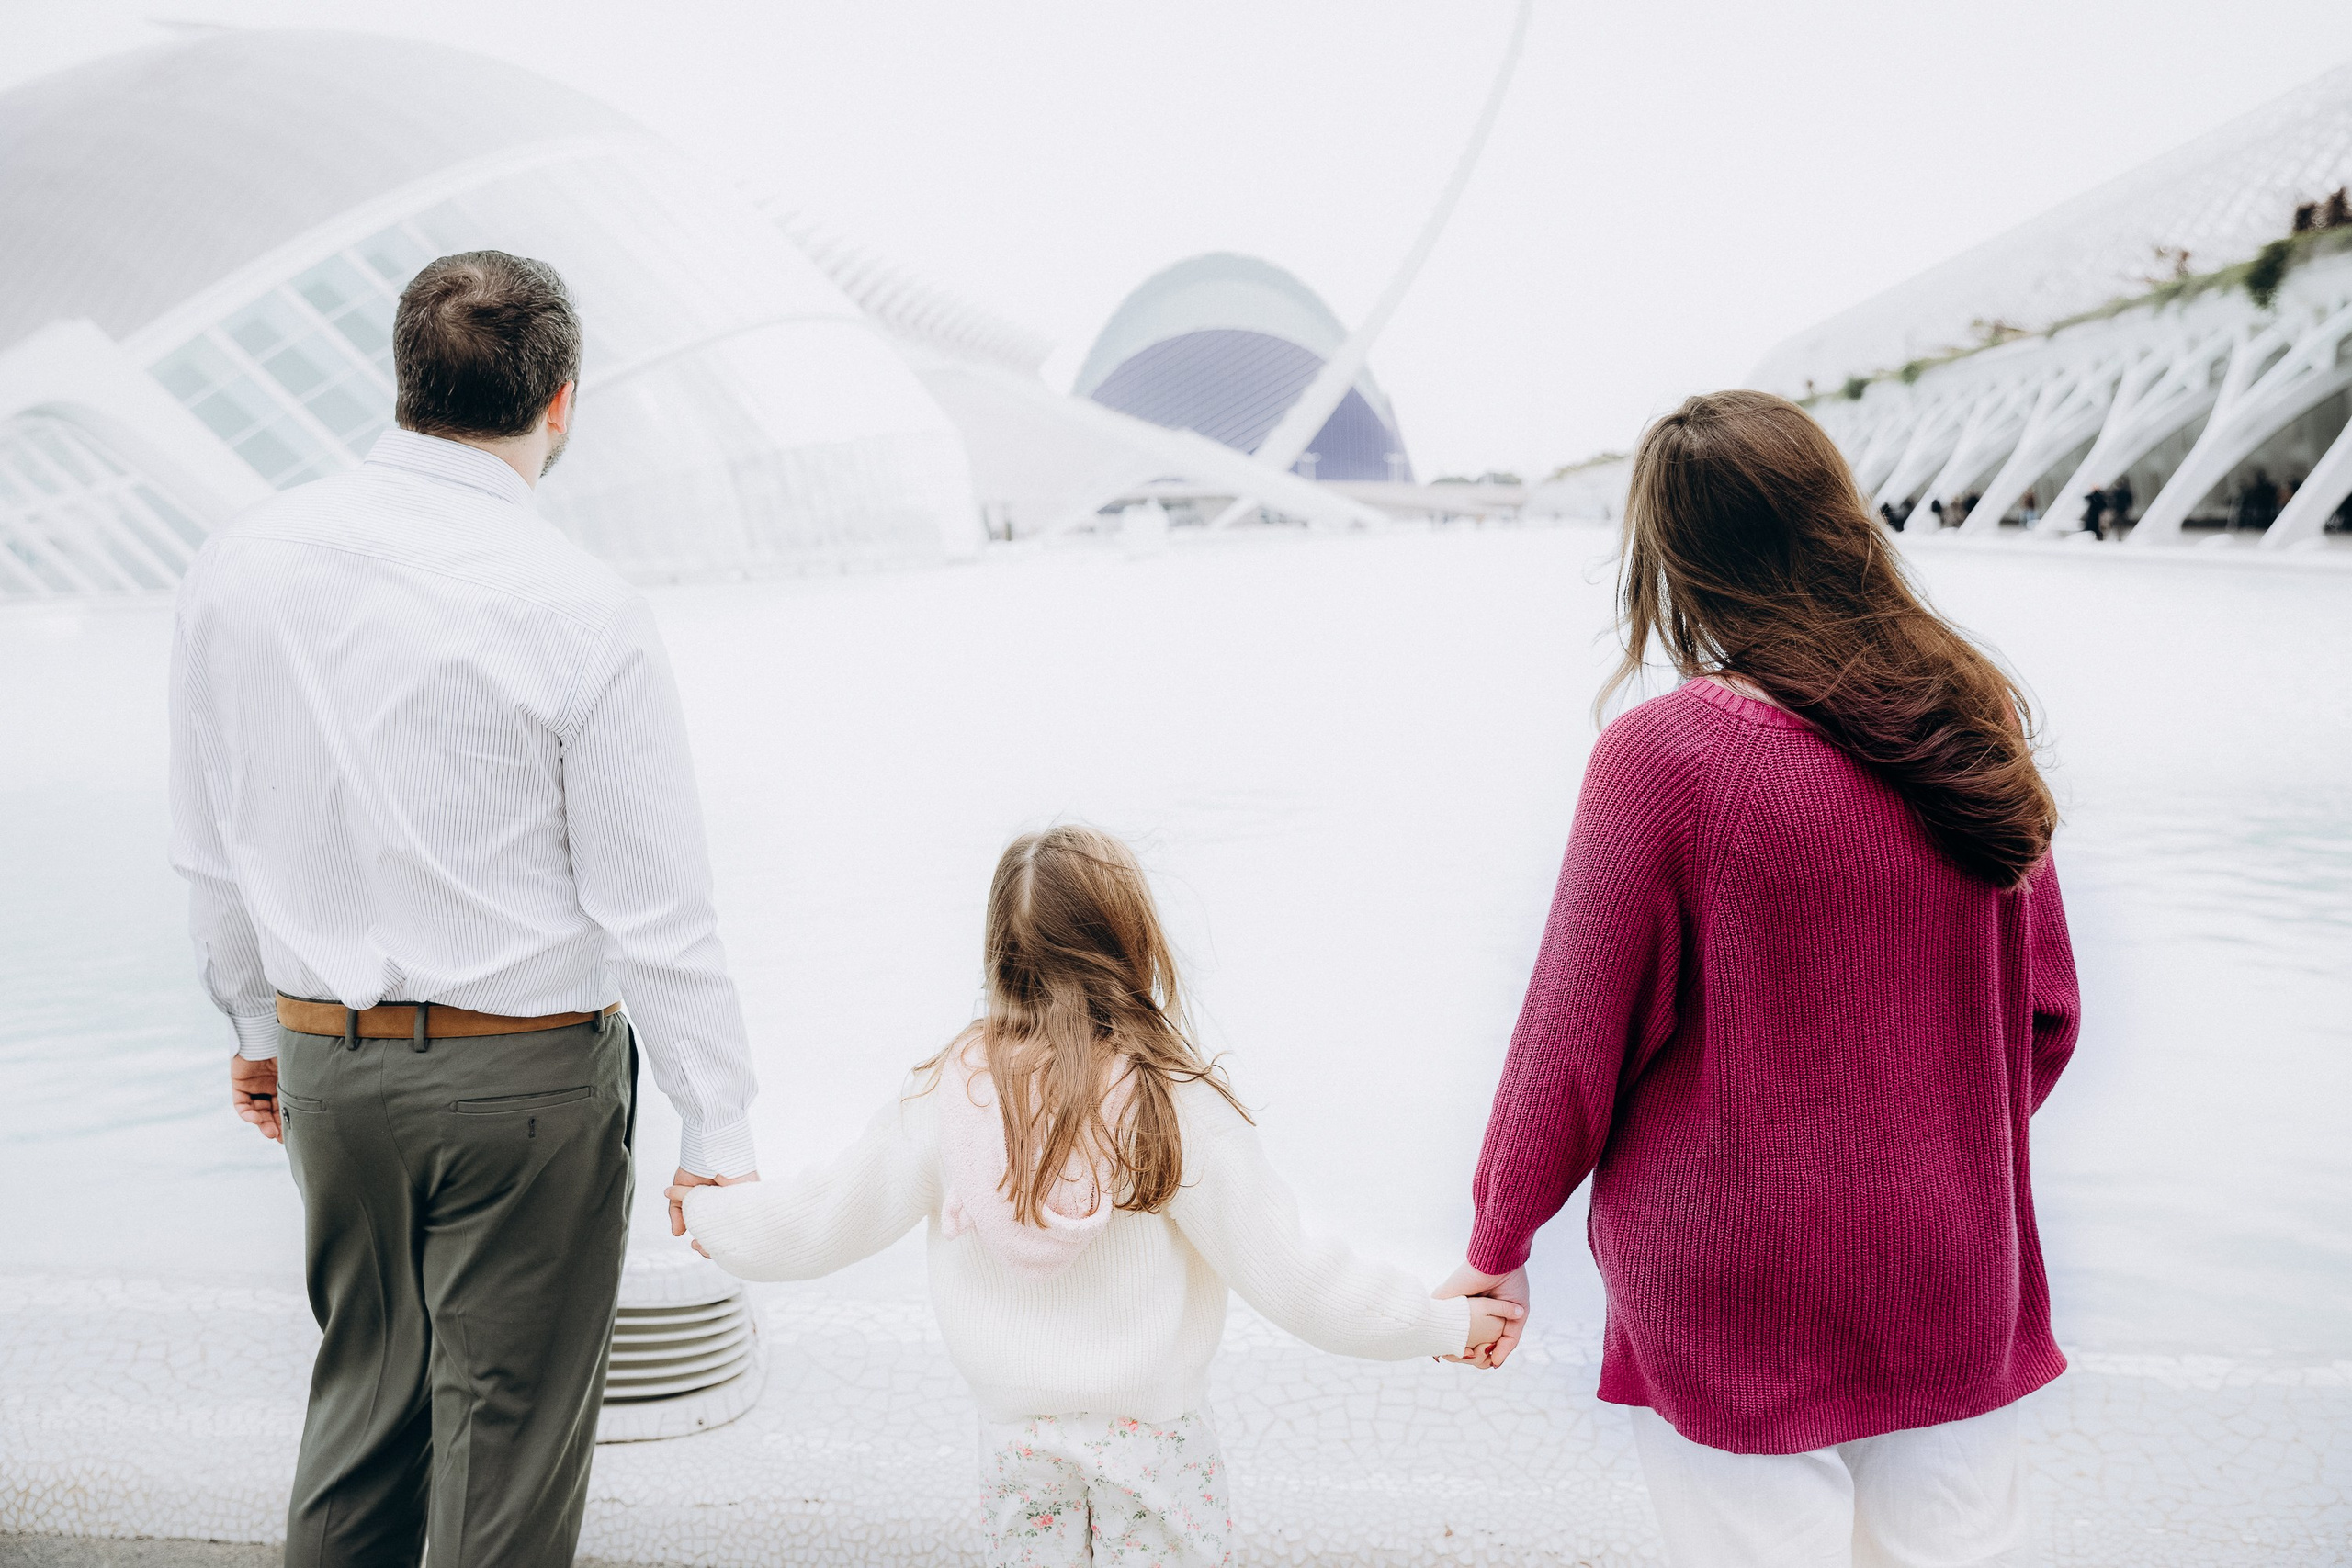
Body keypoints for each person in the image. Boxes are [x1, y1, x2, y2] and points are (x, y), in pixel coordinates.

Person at [169, 252, 763, 1568]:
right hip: (526, 1086)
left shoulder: (241, 565)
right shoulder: (583, 605)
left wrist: (258, 1029)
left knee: (358, 1426)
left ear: (403, 380)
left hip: (329, 1069)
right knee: (506, 1465)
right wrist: (716, 1125)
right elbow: (657, 909)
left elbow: (210, 848)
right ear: (560, 401)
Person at [1437, 391, 2079, 1568]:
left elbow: (1571, 1045)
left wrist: (1497, 1243)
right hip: (1948, 1265)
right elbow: (2047, 1014)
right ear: (1837, 520)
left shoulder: (1667, 758)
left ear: (1672, 559)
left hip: (1736, 1290)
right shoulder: (1966, 717)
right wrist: (1919, 1150)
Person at [677, 827, 1517, 1567]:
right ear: (1133, 945)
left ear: (1000, 954)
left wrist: (716, 1214)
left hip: (1019, 1450)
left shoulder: (950, 1097)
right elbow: (1298, 1280)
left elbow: (824, 1218)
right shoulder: (1171, 1103)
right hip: (1158, 1448)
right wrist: (1447, 1323)